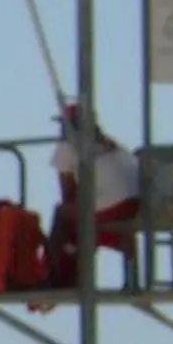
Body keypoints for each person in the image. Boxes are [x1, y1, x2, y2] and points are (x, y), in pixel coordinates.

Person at [45, 103, 141, 290]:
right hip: (135, 209)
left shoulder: (68, 147)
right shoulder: (112, 144)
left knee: (62, 214)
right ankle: (133, 278)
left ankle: (57, 276)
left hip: (108, 209)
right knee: (82, 217)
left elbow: (66, 192)